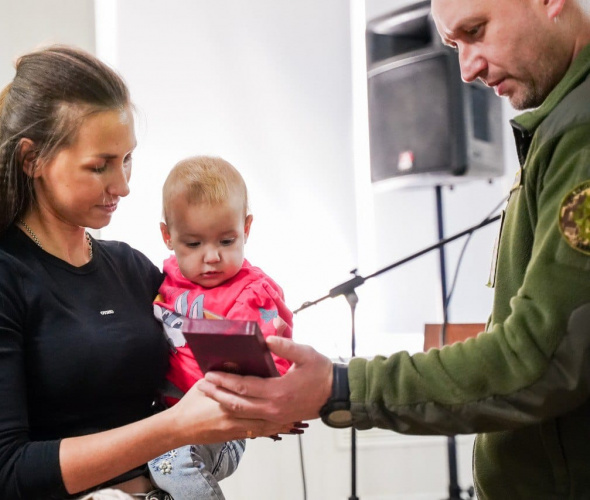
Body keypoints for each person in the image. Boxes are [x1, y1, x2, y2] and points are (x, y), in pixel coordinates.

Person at [199, 0, 590, 498]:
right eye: (454, 45)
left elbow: (539, 358)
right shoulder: (562, 124)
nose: (467, 69)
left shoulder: (581, 132)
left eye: (476, 31)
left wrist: (341, 388)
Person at [0, 46, 289, 500]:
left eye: (127, 160)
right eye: (100, 166)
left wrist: (260, 397)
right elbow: (5, 473)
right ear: (32, 160)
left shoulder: (131, 268)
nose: (122, 185)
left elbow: (196, 357)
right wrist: (174, 428)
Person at [148, 156, 293, 499]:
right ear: (168, 236)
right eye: (194, 244)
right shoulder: (167, 279)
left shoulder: (252, 293)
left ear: (246, 229)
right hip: (167, 415)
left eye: (226, 241)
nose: (211, 256)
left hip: (221, 426)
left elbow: (276, 365)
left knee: (169, 461)